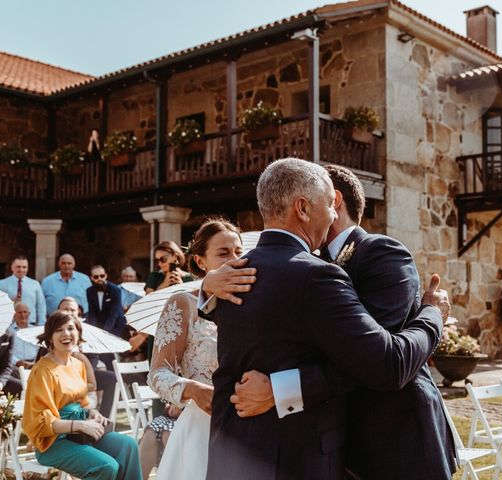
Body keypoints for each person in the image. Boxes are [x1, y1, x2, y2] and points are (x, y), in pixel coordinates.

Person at [205, 158, 445, 480]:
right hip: (293, 457)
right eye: (327, 205)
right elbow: (384, 362)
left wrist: (280, 388)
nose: (332, 214)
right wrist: (433, 314)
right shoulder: (314, 276)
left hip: (232, 453)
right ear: (303, 209)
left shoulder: (231, 276)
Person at [148, 218, 243, 479]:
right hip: (202, 429)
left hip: (248, 429)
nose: (234, 258)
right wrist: (192, 389)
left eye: (238, 252)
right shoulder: (184, 303)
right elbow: (157, 373)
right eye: (223, 253)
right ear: (201, 262)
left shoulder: (252, 304)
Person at [22, 310, 142, 479]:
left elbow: (82, 403)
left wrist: (92, 413)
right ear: (49, 338)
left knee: (128, 445)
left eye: (71, 328)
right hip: (53, 442)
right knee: (107, 467)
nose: (66, 334)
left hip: (81, 434)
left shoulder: (78, 365)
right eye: (58, 330)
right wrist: (79, 425)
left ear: (78, 333)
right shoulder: (42, 371)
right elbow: (40, 422)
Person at [58, 297, 117, 419]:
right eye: (66, 310)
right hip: (60, 374)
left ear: (78, 312)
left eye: (72, 310)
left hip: (84, 372)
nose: (69, 313)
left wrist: (84, 371)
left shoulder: (86, 331)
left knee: (112, 378)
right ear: (58, 311)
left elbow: (94, 357)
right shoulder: (52, 331)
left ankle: (104, 418)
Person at [1, 302, 41, 395]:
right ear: (14, 314)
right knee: (15, 372)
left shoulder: (35, 331)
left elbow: (40, 349)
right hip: (16, 365)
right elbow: (8, 355)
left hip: (34, 363)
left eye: (25, 312)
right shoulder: (8, 332)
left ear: (29, 314)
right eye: (19, 312)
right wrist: (18, 362)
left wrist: (33, 363)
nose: (23, 315)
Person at [0, 255, 46, 325]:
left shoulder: (35, 284)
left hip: (31, 324)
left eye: (24, 267)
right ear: (12, 267)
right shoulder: (2, 284)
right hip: (9, 324)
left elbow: (41, 305)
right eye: (18, 267)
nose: (21, 270)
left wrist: (42, 323)